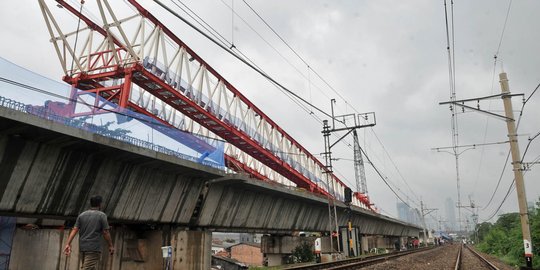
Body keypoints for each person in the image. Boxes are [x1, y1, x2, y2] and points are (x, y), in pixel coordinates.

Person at [64, 195, 114, 269]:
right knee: (87, 268)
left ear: (90, 204)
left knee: (89, 268)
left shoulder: (82, 215)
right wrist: (110, 245)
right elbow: (105, 232)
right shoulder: (102, 215)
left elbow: (74, 229)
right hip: (93, 248)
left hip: (83, 247)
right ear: (100, 204)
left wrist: (68, 244)